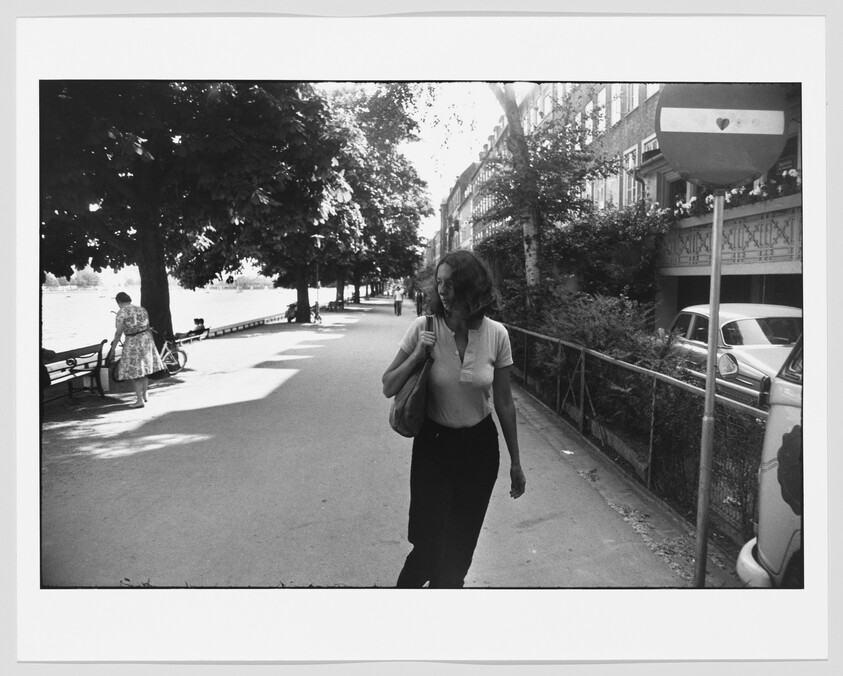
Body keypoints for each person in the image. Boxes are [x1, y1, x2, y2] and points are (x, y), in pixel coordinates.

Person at [382, 250, 526, 588]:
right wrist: (419, 353)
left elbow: (504, 402)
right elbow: (388, 385)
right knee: (427, 550)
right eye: (439, 283)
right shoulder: (423, 328)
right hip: (434, 446)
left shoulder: (497, 335)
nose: (443, 292)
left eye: (451, 284)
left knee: (458, 558)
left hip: (480, 450)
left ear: (470, 287)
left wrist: (515, 462)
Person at [106, 292, 165, 408]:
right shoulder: (142, 309)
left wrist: (112, 349)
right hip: (146, 340)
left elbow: (118, 333)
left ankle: (139, 401)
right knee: (144, 369)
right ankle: (144, 395)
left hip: (133, 342)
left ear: (119, 302)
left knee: (135, 372)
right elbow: (148, 327)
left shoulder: (121, 312)